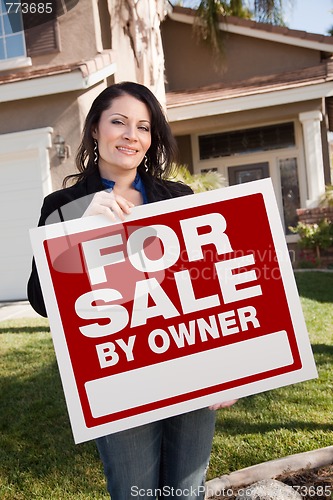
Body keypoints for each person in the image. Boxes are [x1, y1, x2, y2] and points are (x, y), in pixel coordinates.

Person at [27, 81, 236, 499]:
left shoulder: (177, 197)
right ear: (94, 130)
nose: (131, 135)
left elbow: (206, 286)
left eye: (143, 127)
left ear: (151, 139)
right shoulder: (63, 204)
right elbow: (40, 299)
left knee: (186, 490)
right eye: (118, 122)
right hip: (118, 375)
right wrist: (77, 228)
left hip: (188, 363)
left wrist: (225, 368)